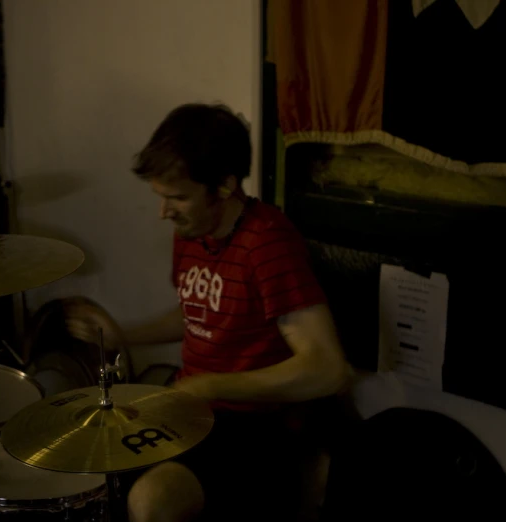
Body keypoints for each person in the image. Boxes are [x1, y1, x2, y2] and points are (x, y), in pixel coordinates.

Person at [121, 103, 352, 522]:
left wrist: (210, 386)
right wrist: (123, 334)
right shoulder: (194, 230)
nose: (164, 212)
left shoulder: (266, 243)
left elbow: (328, 368)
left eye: (177, 197)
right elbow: (199, 313)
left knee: (152, 502)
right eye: (161, 197)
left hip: (253, 427)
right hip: (194, 412)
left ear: (225, 185)